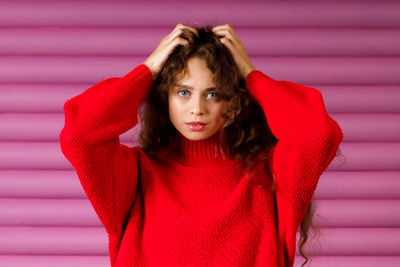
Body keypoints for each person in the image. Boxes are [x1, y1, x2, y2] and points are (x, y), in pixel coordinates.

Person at [59, 23, 343, 267]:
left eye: (213, 94)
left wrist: (250, 76)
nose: (196, 108)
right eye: (183, 92)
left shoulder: (269, 174)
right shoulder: (135, 175)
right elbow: (79, 135)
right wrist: (146, 71)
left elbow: (318, 134)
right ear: (164, 97)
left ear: (234, 100)